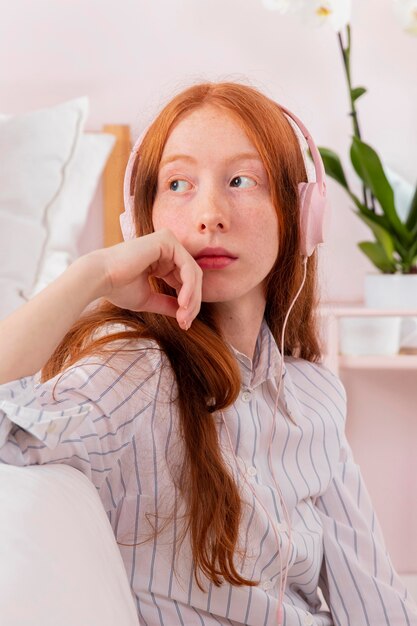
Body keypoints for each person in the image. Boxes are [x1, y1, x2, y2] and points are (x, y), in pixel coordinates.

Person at [0, 81, 415, 626]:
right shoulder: (134, 375)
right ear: (141, 222)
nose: (210, 214)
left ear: (301, 213)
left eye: (241, 181)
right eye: (179, 184)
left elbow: (374, 601)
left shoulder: (313, 394)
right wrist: (92, 274)